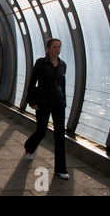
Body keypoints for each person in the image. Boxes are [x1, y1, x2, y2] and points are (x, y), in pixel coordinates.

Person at [24, 38, 70, 180]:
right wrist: (31, 101)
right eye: (55, 47)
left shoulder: (63, 65)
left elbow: (62, 85)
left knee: (59, 136)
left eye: (59, 47)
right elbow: (32, 81)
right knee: (41, 131)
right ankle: (29, 146)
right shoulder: (41, 63)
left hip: (58, 104)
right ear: (48, 48)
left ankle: (60, 169)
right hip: (43, 102)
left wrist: (64, 101)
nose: (57, 49)